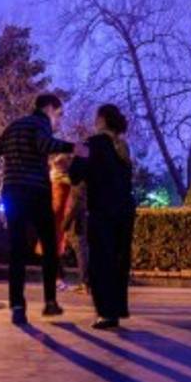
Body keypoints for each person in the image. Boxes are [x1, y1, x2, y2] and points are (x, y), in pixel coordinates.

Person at [0, 94, 77, 325]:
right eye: (58, 114)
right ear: (49, 108)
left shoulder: (14, 125)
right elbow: (45, 145)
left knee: (17, 249)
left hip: (12, 191)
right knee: (49, 244)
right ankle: (50, 302)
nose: (57, 120)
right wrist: (73, 147)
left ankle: (17, 305)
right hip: (36, 191)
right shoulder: (40, 123)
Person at [67, 104, 135, 330]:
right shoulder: (123, 147)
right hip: (125, 211)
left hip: (102, 211)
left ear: (102, 119)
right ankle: (117, 309)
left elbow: (75, 176)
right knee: (119, 260)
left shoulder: (91, 144)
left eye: (96, 117)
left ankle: (105, 312)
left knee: (101, 261)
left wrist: (75, 155)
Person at [39, 157, 73, 291]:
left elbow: (56, 205)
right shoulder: (64, 183)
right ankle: (57, 279)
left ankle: (57, 279)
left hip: (54, 222)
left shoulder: (58, 185)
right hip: (58, 222)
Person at [61, 178, 90, 295]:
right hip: (82, 221)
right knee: (83, 251)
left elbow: (75, 206)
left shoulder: (78, 184)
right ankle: (86, 283)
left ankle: (85, 283)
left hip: (77, 223)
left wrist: (65, 224)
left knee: (81, 251)